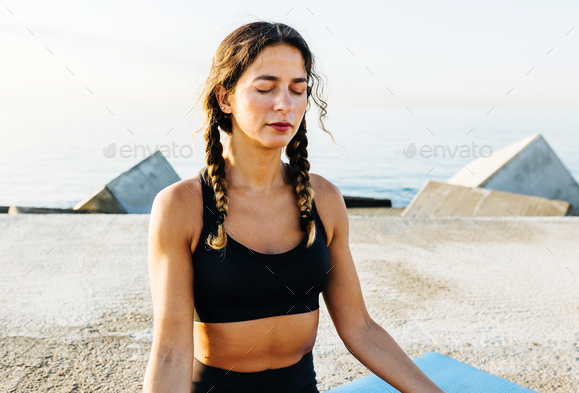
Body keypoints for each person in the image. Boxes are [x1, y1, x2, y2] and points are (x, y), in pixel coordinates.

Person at [142, 20, 444, 393]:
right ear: (225, 98)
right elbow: (171, 352)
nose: (284, 104)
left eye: (297, 90)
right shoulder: (182, 206)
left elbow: (360, 328)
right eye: (265, 88)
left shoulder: (325, 200)